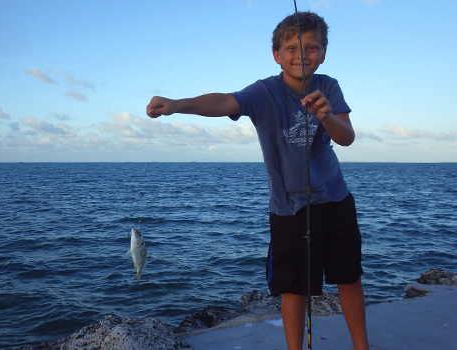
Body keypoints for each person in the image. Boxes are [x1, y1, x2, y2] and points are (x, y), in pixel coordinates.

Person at [145, 11, 370, 350]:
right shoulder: (264, 91)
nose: (302, 55)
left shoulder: (329, 87)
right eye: (292, 48)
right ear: (277, 55)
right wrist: (178, 104)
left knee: (349, 279)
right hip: (290, 210)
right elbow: (224, 101)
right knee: (294, 289)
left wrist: (325, 115)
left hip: (336, 200)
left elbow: (347, 137)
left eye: (311, 48)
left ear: (323, 53)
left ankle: (361, 346)